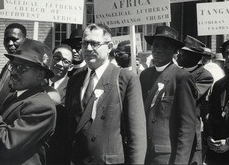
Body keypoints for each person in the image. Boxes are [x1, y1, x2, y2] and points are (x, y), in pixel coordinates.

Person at [64, 23, 147, 164]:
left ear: (109, 47)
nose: (88, 48)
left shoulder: (125, 79)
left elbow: (137, 135)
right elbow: (68, 129)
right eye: (85, 43)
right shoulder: (75, 79)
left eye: (94, 44)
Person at [0, 38, 57, 165]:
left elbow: (6, 143)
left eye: (22, 68)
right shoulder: (14, 95)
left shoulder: (42, 106)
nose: (14, 72)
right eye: (13, 66)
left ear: (40, 75)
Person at [140, 25, 197, 164]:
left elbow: (187, 125)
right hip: (143, 153)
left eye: (165, 46)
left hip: (165, 157)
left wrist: (180, 162)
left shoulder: (181, 77)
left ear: (175, 51)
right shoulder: (145, 75)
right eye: (155, 45)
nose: (158, 49)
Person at [176, 35, 214, 164]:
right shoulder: (176, 71)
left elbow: (192, 96)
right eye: (179, 52)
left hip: (190, 130)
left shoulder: (204, 76)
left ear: (195, 57)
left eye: (183, 53)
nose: (178, 56)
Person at [45, 44, 73, 165]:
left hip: (58, 152)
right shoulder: (38, 83)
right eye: (57, 58)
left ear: (71, 67)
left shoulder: (74, 88)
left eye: (65, 61)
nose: (60, 64)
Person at [0, 23, 27, 110]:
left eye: (14, 39)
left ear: (25, 41)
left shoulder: (28, 70)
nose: (10, 43)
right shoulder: (8, 65)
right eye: (7, 40)